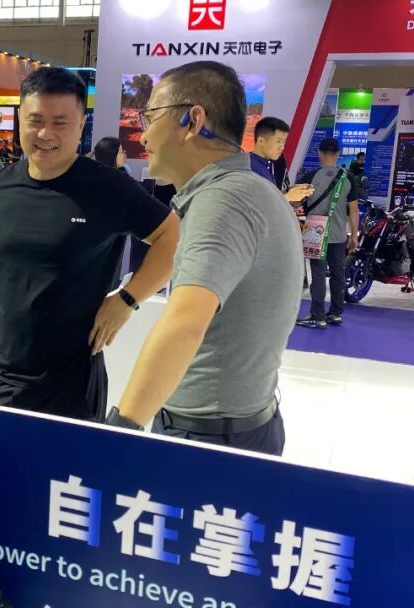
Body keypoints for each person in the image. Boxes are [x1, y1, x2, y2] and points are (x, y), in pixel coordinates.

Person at [0, 67, 179, 422]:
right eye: (35, 121)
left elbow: (172, 237)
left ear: (80, 126)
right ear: (20, 121)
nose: (45, 134)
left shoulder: (108, 188)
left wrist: (127, 300)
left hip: (72, 384)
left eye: (60, 123)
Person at [106, 60, 302, 456]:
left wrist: (117, 434)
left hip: (207, 440)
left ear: (192, 120)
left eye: (151, 117)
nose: (143, 134)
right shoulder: (250, 189)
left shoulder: (223, 201)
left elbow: (184, 325)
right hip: (239, 426)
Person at [295, 137, 360, 329]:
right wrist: (354, 235)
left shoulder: (309, 177)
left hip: (315, 234)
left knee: (318, 274)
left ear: (319, 153)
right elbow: (354, 210)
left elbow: (295, 201)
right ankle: (335, 313)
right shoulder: (348, 178)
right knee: (338, 274)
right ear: (338, 154)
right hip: (338, 234)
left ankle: (317, 315)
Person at [250, 117, 312, 203]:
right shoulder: (248, 166)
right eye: (278, 141)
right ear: (261, 141)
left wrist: (289, 191)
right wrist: (288, 197)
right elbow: (255, 204)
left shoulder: (270, 164)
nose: (282, 147)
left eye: (283, 142)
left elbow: (267, 198)